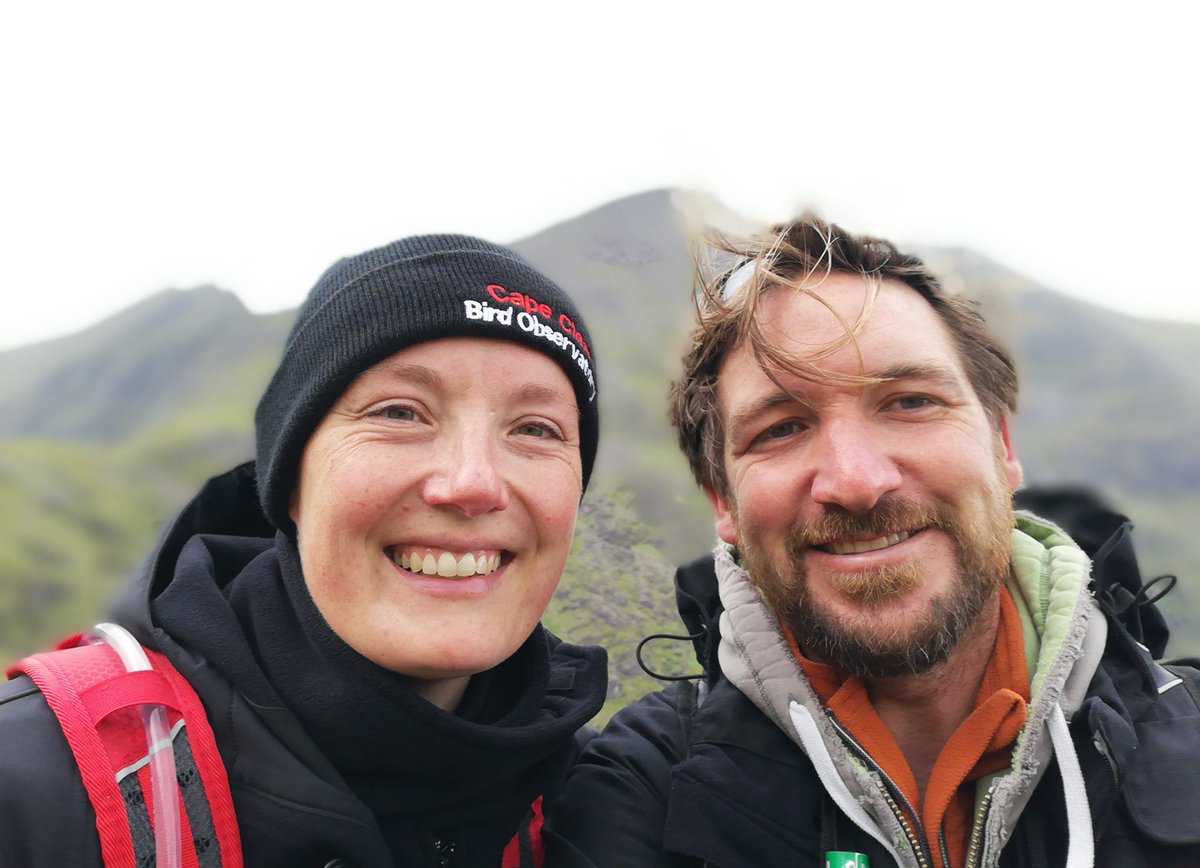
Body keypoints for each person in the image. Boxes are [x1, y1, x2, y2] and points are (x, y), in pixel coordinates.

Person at [544, 218, 1200, 867]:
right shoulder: (643, 790)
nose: (856, 482)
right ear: (724, 502)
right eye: (779, 429)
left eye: (909, 402)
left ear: (1002, 447)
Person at [0, 234, 608, 867]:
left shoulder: (601, 803)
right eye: (400, 413)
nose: (473, 484)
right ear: (290, 482)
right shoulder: (29, 783)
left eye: (536, 429)